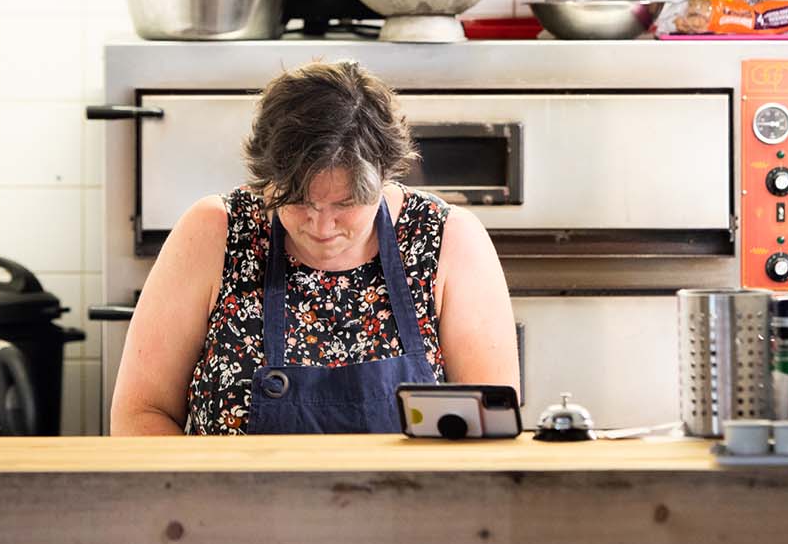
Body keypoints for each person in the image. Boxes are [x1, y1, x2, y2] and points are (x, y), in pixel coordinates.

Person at [110, 59, 519, 435]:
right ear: (266, 176)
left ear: (385, 176)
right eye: (299, 201)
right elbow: (140, 412)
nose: (322, 226)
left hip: (404, 511)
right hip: (228, 513)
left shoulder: (447, 240)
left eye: (346, 204)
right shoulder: (216, 232)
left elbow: (488, 429)